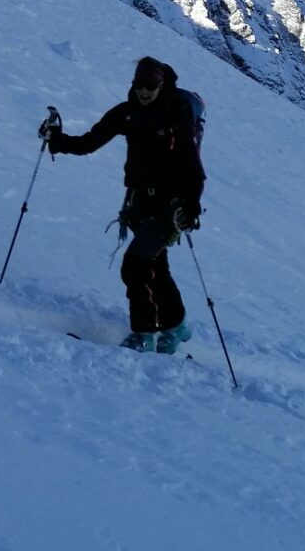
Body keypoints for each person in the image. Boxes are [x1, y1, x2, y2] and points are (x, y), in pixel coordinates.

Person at [46, 57, 204, 352]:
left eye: (151, 85)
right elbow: (90, 142)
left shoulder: (176, 114)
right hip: (137, 203)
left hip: (169, 207)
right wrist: (56, 140)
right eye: (140, 85)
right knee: (154, 267)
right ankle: (176, 326)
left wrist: (192, 204)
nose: (145, 91)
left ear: (162, 84)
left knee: (136, 264)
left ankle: (144, 334)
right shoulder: (127, 112)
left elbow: (194, 167)